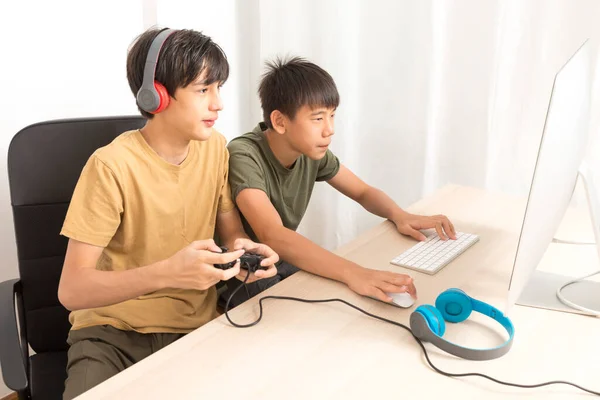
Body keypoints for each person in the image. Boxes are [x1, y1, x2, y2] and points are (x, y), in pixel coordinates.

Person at [57, 27, 278, 399]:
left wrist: (244, 252)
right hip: (111, 333)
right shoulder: (110, 166)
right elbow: (72, 290)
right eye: (203, 90)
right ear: (156, 96)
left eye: (219, 88)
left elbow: (230, 232)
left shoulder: (216, 149)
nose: (218, 104)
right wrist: (167, 272)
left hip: (193, 329)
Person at [221, 56, 456, 308]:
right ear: (279, 121)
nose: (329, 129)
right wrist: (354, 273)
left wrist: (400, 215)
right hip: (243, 274)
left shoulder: (310, 151)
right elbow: (273, 234)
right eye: (318, 118)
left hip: (281, 259)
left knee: (347, 299)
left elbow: (363, 192)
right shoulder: (244, 154)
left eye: (332, 116)